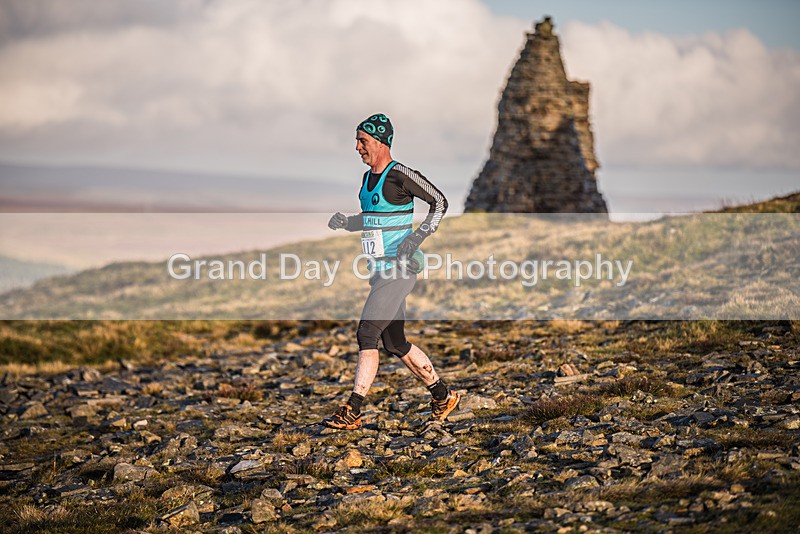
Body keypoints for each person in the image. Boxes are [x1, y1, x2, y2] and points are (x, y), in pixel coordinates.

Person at [323, 113, 460, 430]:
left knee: (366, 333)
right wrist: (347, 222)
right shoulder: (366, 180)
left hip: (399, 269)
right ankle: (443, 395)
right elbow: (371, 219)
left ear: (381, 142)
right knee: (395, 342)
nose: (357, 147)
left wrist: (417, 236)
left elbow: (440, 202)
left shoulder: (400, 174)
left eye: (363, 141)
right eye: (357, 141)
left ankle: (353, 410)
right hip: (379, 271)